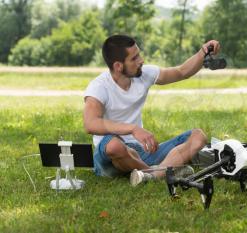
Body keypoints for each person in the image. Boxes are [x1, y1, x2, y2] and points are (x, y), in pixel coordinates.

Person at [83, 34, 220, 186]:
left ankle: (151, 175)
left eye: (139, 55)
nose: (141, 60)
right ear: (118, 66)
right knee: (114, 145)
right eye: (134, 58)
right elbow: (90, 124)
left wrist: (203, 51)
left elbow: (182, 72)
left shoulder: (144, 74)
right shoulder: (99, 86)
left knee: (198, 137)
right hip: (110, 156)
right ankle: (161, 171)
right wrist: (133, 129)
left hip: (141, 153)